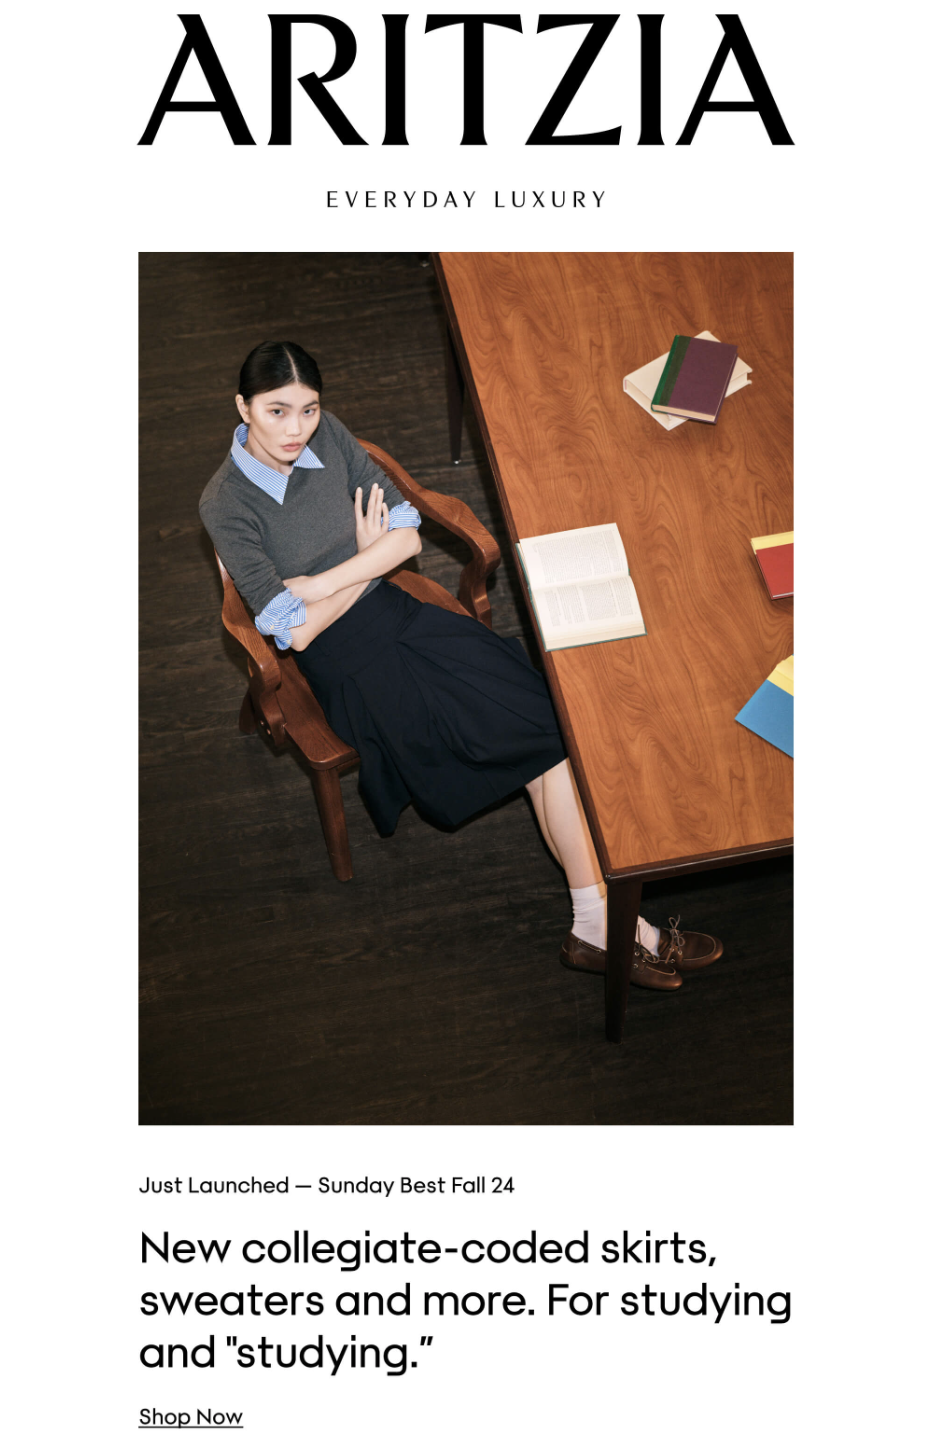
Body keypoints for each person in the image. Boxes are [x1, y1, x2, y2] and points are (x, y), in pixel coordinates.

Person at [200, 342, 723, 992]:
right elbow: (297, 636)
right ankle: (609, 925)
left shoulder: (327, 436)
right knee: (545, 748)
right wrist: (371, 560)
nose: (294, 428)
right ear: (242, 406)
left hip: (405, 618)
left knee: (550, 735)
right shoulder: (225, 503)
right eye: (276, 411)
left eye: (307, 409)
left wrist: (325, 581)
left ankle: (597, 923)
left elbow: (409, 533)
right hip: (352, 666)